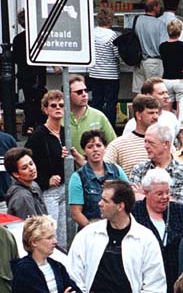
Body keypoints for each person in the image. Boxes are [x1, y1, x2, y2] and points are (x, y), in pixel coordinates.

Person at [132, 168, 183, 293]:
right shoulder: (133, 212)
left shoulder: (182, 212)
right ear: (146, 192)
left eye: (167, 193)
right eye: (159, 194)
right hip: (144, 281)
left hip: (176, 282)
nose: (165, 197)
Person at [25, 90, 68, 246]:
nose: (58, 108)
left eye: (62, 105)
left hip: (65, 188)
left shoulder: (65, 132)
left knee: (65, 235)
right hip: (48, 191)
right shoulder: (38, 134)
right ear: (45, 109)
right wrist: (45, 180)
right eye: (53, 105)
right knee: (51, 232)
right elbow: (28, 162)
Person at [68, 131, 127, 230]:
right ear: (84, 150)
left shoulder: (116, 170)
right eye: (90, 147)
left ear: (105, 147)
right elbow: (76, 213)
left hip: (118, 228)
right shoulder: (77, 177)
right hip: (91, 231)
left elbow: (129, 195)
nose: (95, 149)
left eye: (99, 145)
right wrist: (94, 231)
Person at [129, 124, 183, 208]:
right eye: (145, 141)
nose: (146, 146)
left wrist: (144, 194)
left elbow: (182, 208)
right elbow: (131, 202)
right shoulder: (139, 169)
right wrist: (168, 199)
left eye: (151, 142)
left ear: (166, 144)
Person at [104, 94, 159, 177]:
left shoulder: (164, 143)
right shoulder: (118, 145)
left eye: (157, 113)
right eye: (151, 113)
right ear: (138, 115)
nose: (156, 117)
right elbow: (103, 170)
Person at [12, 9, 47, 133]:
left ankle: (29, 125)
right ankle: (37, 124)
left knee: (28, 101)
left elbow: (15, 58)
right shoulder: (38, 37)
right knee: (39, 100)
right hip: (37, 73)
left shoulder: (17, 39)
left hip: (24, 74)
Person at [66, 76, 116, 162]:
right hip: (67, 170)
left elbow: (114, 145)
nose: (84, 94)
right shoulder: (60, 118)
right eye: (79, 92)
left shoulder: (99, 116)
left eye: (85, 90)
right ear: (67, 95)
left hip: (95, 169)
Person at [88, 7, 120, 127]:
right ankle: (109, 127)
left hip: (95, 73)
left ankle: (95, 126)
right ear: (110, 20)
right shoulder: (113, 36)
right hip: (111, 74)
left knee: (96, 102)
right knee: (110, 104)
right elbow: (117, 54)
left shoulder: (92, 34)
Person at [132, 0, 168, 94]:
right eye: (159, 5)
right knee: (154, 93)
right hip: (154, 62)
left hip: (139, 62)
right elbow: (163, 46)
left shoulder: (137, 20)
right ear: (155, 7)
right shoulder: (160, 24)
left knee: (139, 93)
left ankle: (138, 109)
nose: (160, 7)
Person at [5, 147, 49, 220]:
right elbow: (31, 227)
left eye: (31, 163)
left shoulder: (34, 185)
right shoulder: (22, 196)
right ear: (16, 174)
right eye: (24, 168)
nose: (31, 169)